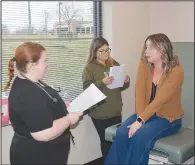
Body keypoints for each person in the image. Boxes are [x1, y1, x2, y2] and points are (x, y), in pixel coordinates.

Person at [104, 33, 184, 165]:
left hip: (168, 118)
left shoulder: (176, 71)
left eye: (150, 47)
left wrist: (140, 122)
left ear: (163, 48)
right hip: (146, 113)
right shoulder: (144, 64)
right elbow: (139, 92)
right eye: (146, 47)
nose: (146, 51)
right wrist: (140, 117)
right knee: (123, 132)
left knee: (140, 137)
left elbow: (160, 100)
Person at [4, 42, 83, 165]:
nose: (47, 65)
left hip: (46, 153)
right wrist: (69, 119)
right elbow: (42, 134)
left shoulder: (28, 82)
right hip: (37, 156)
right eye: (45, 61)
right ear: (32, 65)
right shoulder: (28, 94)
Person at [82, 37, 130, 160]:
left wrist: (125, 81)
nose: (106, 53)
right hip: (100, 114)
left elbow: (120, 87)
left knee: (117, 141)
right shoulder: (89, 68)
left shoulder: (114, 64)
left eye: (107, 50)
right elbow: (87, 90)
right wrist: (102, 82)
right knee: (106, 144)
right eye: (101, 51)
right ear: (94, 52)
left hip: (115, 111)